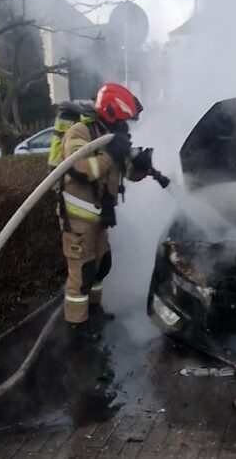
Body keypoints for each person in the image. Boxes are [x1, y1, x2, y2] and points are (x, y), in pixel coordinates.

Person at [58, 82, 154, 333]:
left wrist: (141, 167)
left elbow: (123, 173)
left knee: (102, 265)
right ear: (112, 112)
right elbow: (80, 170)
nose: (124, 126)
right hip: (78, 219)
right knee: (82, 274)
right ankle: (77, 326)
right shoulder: (81, 132)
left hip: (98, 217)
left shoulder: (106, 135)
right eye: (123, 120)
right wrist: (111, 153)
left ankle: (93, 312)